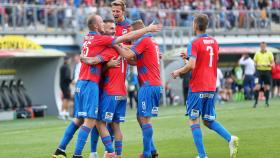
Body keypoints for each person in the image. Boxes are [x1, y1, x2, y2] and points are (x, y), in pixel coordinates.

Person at [52, 15, 162, 158]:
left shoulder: (91, 39)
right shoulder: (106, 42)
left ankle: (82, 151)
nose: (110, 29)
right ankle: (104, 153)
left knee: (91, 121)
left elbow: (115, 55)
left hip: (95, 87)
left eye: (112, 27)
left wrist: (93, 60)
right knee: (94, 121)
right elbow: (124, 50)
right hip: (103, 88)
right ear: (98, 27)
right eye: (106, 25)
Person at [171, 14, 239, 158]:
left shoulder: (194, 42)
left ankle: (202, 155)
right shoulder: (214, 42)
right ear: (206, 25)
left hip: (197, 86)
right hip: (211, 86)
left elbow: (192, 65)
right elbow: (208, 60)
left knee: (193, 119)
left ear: (195, 25)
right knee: (208, 120)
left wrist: (178, 71)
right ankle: (230, 138)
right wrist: (189, 56)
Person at [114, 20, 161, 158]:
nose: (130, 35)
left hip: (148, 85)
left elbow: (128, 56)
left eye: (132, 32)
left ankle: (147, 154)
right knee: (140, 117)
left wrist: (116, 46)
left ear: (138, 30)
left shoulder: (144, 40)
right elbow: (135, 61)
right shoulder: (152, 42)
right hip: (154, 84)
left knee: (144, 119)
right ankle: (152, 150)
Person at [253, 42, 274, 108]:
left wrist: (270, 65)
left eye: (264, 46)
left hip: (267, 71)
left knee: (266, 87)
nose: (263, 47)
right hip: (259, 71)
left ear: (266, 46)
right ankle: (256, 102)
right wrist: (256, 64)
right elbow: (254, 62)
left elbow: (273, 63)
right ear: (260, 46)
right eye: (261, 46)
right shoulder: (257, 53)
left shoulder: (269, 53)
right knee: (257, 87)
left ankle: (266, 102)